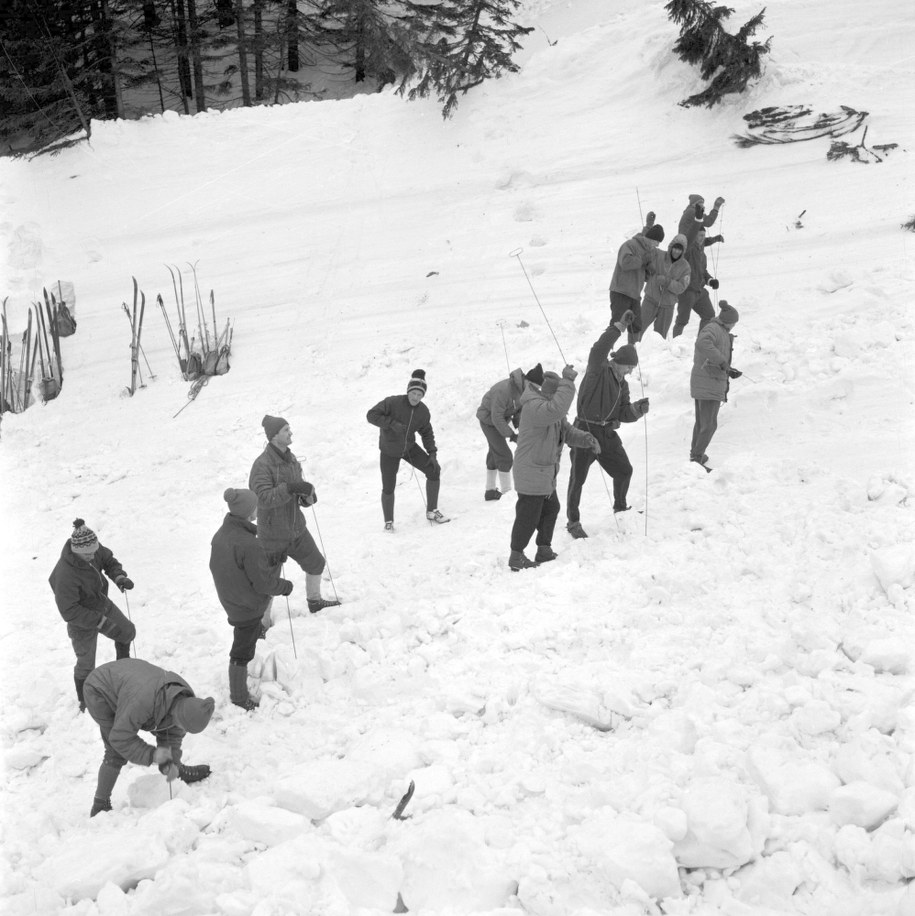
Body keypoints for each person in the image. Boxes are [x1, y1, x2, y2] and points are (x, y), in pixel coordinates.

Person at [83, 658, 214, 816]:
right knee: (115, 751)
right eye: (182, 725)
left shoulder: (183, 698)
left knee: (170, 729)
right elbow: (120, 738)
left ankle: (177, 770)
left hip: (132, 684)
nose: (180, 730)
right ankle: (100, 803)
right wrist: (152, 755)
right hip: (100, 690)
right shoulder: (143, 701)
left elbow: (172, 734)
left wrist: (170, 764)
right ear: (179, 713)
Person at [566, 311, 649, 538]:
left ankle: (620, 507)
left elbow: (623, 412)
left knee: (624, 471)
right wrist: (620, 326)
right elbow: (599, 349)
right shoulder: (598, 370)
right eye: (629, 367)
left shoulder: (622, 384)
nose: (631, 371)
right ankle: (573, 522)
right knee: (578, 479)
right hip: (584, 431)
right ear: (619, 362)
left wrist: (636, 411)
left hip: (606, 433)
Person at [209, 487, 294, 711]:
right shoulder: (248, 543)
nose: (259, 509)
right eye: (255, 506)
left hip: (232, 598)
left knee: (247, 639)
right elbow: (263, 583)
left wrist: (271, 559)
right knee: (241, 651)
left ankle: (245, 672)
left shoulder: (223, 535)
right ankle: (238, 697)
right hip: (246, 606)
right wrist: (285, 586)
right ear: (248, 512)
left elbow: (242, 564)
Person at [509, 367, 599, 570]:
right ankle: (516, 556)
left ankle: (544, 549)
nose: (560, 403)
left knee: (551, 508)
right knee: (528, 515)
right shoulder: (535, 408)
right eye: (558, 395)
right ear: (549, 394)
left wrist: (586, 439)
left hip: (544, 472)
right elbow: (556, 410)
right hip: (531, 471)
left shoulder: (549, 412)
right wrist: (568, 381)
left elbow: (566, 431)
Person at [249, 416, 340, 614]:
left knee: (316, 563)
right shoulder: (262, 465)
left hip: (296, 529)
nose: (291, 433)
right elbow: (262, 498)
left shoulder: (291, 460)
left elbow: (296, 494)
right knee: (268, 584)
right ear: (274, 436)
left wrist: (307, 498)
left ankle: (314, 602)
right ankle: (260, 624)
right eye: (286, 430)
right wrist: (290, 488)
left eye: (290, 429)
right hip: (272, 535)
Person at [49, 519, 137, 712]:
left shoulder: (92, 549)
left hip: (100, 603)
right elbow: (69, 610)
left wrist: (119, 576)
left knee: (127, 632)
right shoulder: (65, 574)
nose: (92, 556)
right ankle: (84, 701)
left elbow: (108, 560)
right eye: (87, 554)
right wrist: (100, 622)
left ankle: (124, 675)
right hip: (80, 621)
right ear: (76, 550)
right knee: (86, 663)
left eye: (93, 551)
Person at [366, 369, 448, 530]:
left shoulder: (423, 412)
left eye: (419, 395)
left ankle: (432, 511)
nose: (415, 397)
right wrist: (391, 424)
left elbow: (426, 432)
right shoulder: (392, 403)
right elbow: (371, 415)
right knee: (388, 486)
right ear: (408, 391)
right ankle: (388, 522)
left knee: (433, 470)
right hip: (389, 450)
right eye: (413, 393)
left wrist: (432, 453)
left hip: (409, 448)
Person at [476, 363, 544, 500]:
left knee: (495, 453)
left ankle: (490, 491)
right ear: (527, 381)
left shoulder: (524, 391)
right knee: (505, 456)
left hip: (499, 421)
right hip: (488, 421)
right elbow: (496, 417)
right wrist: (512, 436)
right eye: (534, 387)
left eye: (538, 389)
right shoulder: (504, 390)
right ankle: (507, 493)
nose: (535, 390)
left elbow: (518, 410)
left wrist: (521, 428)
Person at [690, 301, 741, 468]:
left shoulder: (721, 331)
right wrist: (723, 363)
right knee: (709, 425)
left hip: (708, 382)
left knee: (703, 423)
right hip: (708, 383)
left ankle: (696, 455)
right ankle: (696, 458)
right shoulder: (713, 329)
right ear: (728, 321)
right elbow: (702, 343)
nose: (734, 326)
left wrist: (728, 368)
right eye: (734, 323)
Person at [609, 224, 665, 342]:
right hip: (621, 292)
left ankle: (631, 353)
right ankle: (604, 352)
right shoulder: (630, 245)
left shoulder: (650, 252)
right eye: (657, 241)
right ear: (650, 238)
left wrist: (648, 272)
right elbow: (625, 263)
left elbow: (642, 275)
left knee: (636, 326)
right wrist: (642, 260)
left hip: (634, 295)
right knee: (617, 325)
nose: (658, 245)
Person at [671, 228, 724, 338]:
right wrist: (698, 221)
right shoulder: (688, 251)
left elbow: (703, 271)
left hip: (700, 292)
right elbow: (688, 240)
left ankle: (701, 341)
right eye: (700, 235)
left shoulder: (702, 255)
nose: (702, 238)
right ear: (694, 237)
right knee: (682, 321)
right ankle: (675, 344)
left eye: (703, 235)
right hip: (687, 292)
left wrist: (710, 281)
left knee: (709, 315)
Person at [639, 233, 691, 340]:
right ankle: (632, 351)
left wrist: (667, 282)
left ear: (683, 251)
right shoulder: (658, 255)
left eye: (680, 249)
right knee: (637, 329)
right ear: (671, 247)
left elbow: (681, 287)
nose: (676, 251)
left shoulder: (685, 267)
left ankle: (655, 356)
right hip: (650, 301)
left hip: (667, 307)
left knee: (660, 338)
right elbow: (644, 249)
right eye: (675, 248)